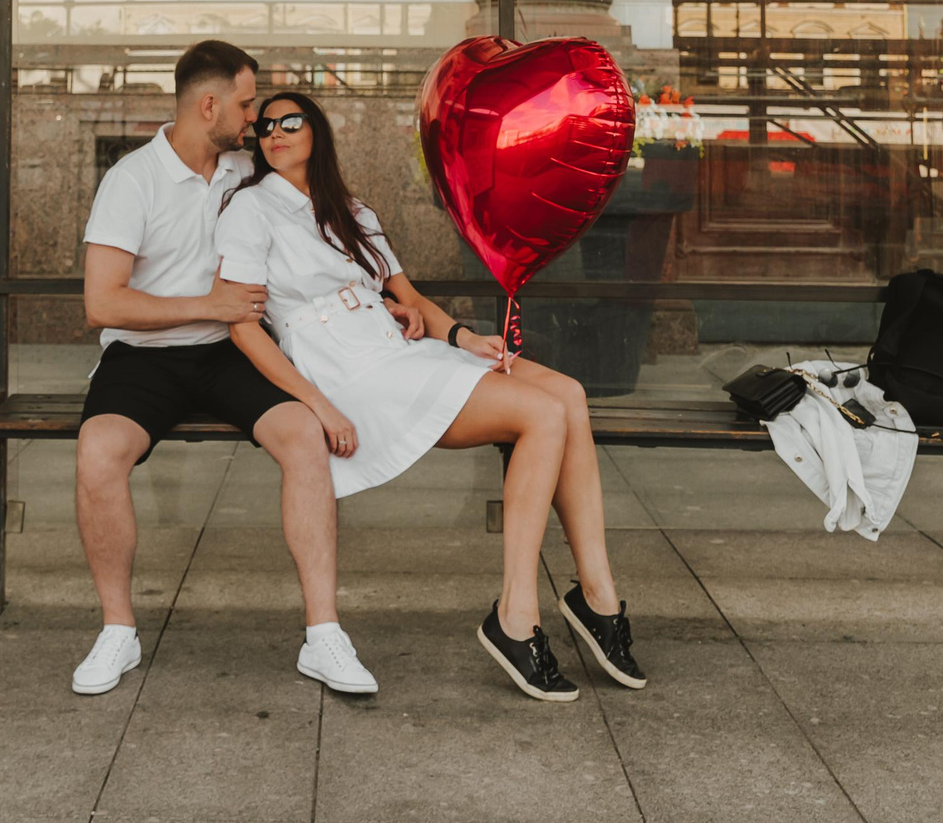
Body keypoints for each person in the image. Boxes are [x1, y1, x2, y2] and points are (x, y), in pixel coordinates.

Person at [212, 91, 646, 703]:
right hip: (346, 371)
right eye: (263, 127)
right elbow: (243, 326)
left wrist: (467, 338)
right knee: (542, 415)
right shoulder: (249, 209)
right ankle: (517, 616)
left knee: (568, 394)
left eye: (291, 121)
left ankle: (596, 592)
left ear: (317, 131)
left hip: (394, 349)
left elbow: (409, 299)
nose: (275, 133)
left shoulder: (352, 211)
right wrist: (318, 404)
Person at [69, 42, 376, 699]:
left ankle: (323, 634)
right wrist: (204, 302)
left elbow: (337, 220)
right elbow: (103, 302)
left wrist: (399, 300)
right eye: (245, 104)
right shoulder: (132, 179)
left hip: (229, 350)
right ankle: (117, 629)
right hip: (143, 355)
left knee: (303, 436)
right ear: (207, 104)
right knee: (97, 452)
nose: (256, 119)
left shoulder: (246, 169)